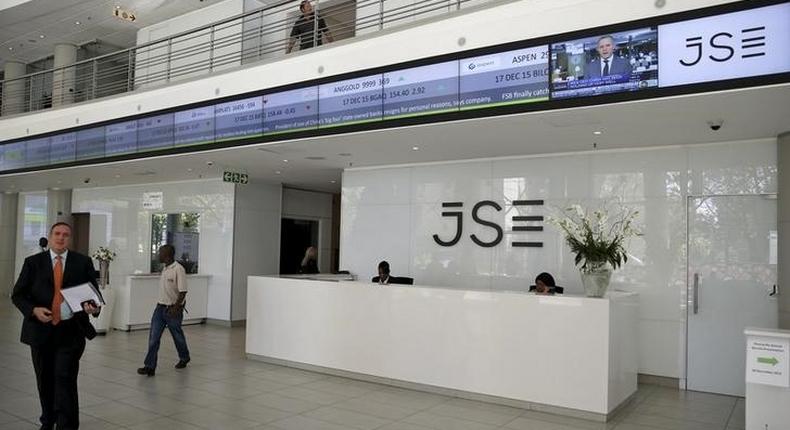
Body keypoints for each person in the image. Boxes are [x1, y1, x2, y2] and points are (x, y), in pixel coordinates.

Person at [12, 222, 101, 430]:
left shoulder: (82, 262)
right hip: (40, 331)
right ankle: (48, 420)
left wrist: (92, 308)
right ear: (50, 237)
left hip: (71, 331)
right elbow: (18, 295)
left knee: (64, 378)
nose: (61, 238)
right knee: (45, 379)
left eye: (66, 235)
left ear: (70, 239)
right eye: (57, 234)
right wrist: (33, 310)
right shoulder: (33, 263)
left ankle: (67, 425)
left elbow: (94, 298)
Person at [137, 244, 190, 376]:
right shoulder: (165, 268)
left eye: (160, 253)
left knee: (177, 336)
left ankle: (184, 357)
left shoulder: (179, 269)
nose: (157, 255)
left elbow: (183, 291)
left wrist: (176, 308)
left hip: (173, 309)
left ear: (167, 255)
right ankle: (150, 366)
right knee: (153, 338)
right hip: (160, 308)